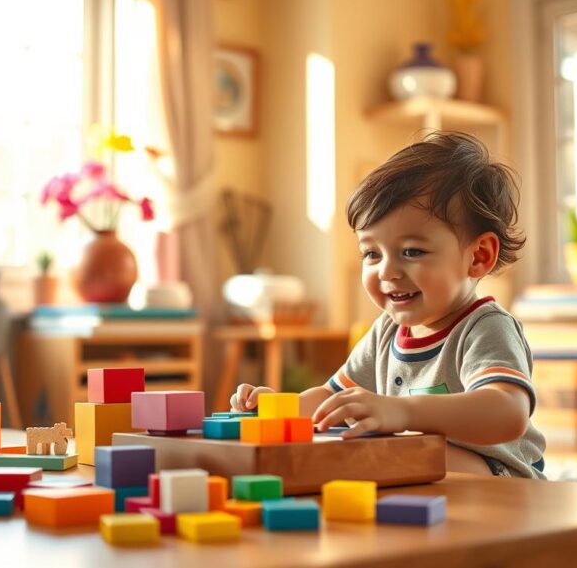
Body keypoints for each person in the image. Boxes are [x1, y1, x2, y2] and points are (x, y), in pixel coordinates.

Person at [231, 131, 546, 478]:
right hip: (418, 475)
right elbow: (332, 397)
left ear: (478, 257)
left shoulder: (485, 326)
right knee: (361, 450)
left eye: (412, 251)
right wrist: (278, 408)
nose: (388, 271)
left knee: (387, 454)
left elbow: (508, 412)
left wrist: (403, 411)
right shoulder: (387, 331)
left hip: (497, 479)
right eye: (371, 253)